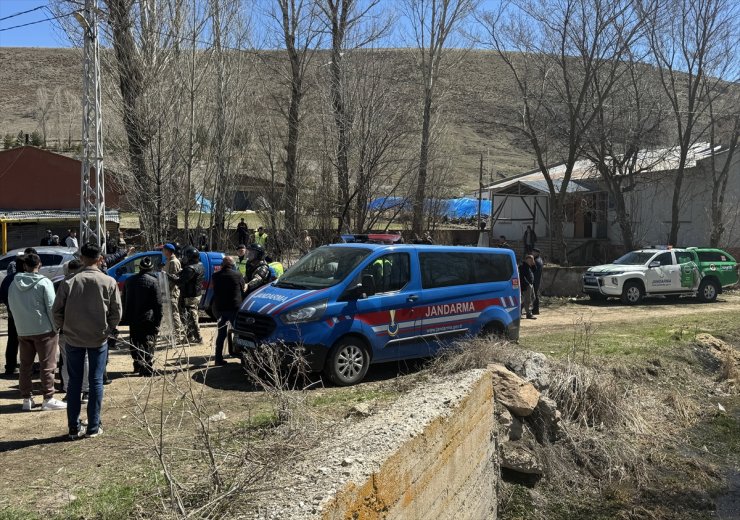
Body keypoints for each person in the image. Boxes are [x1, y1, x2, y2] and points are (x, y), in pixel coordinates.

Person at [53, 242, 122, 439]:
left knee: (74, 382)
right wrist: (108, 330)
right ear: (100, 259)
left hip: (73, 338)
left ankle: (73, 427)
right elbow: (117, 313)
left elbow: (56, 311)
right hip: (98, 338)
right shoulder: (108, 282)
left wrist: (64, 327)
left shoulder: (69, 282)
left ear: (81, 259)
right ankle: (93, 426)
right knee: (95, 381)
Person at [9, 253, 66, 411]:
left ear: (25, 266)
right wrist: (56, 327)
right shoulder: (44, 282)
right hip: (44, 329)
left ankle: (27, 399)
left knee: (25, 366)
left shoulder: (14, 283)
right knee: (47, 365)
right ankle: (48, 397)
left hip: (23, 329)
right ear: (39, 265)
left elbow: (12, 305)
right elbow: (51, 307)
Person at [123, 256, 163, 376]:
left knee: (135, 341)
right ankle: (147, 366)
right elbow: (158, 304)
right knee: (148, 342)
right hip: (148, 318)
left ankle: (137, 365)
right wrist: (158, 320)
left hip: (133, 317)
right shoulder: (154, 281)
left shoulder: (129, 281)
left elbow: (124, 300)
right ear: (151, 268)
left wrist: (126, 316)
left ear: (139, 268)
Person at [57, 260, 89, 402]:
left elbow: (56, 309)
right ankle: (86, 390)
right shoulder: (88, 282)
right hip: (85, 328)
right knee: (85, 359)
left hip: (66, 329)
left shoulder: (62, 284)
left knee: (67, 360)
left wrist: (59, 326)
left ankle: (70, 391)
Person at [211, 256, 245, 366]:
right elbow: (243, 288)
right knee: (240, 333)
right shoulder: (238, 275)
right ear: (232, 265)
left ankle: (218, 358)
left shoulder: (215, 276)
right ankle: (244, 358)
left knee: (221, 335)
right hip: (234, 308)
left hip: (220, 309)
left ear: (222, 265)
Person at [173, 246, 204, 344]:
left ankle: (198, 338)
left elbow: (180, 282)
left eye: (186, 256)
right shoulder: (200, 265)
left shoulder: (190, 269)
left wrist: (170, 277)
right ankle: (189, 336)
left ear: (190, 257)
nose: (184, 258)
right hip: (195, 294)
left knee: (191, 317)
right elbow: (183, 274)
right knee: (188, 316)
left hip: (189, 295)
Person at [0, 257, 20, 375]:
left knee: (12, 340)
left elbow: (2, 295)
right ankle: (29, 366)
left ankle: (10, 366)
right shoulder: (25, 279)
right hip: (27, 317)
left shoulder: (7, 279)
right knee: (30, 343)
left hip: (12, 314)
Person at [163, 243, 185, 341]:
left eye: (164, 250)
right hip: (167, 290)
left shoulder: (174, 262)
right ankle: (176, 332)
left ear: (168, 251)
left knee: (174, 313)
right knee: (171, 313)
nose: (163, 252)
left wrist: (168, 289)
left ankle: (178, 334)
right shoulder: (168, 261)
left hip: (172, 291)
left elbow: (175, 278)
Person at [519, 254, 536, 320]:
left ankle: (519, 310)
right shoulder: (522, 266)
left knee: (533, 298)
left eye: (532, 259)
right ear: (527, 259)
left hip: (531, 285)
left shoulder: (530, 266)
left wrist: (533, 263)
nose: (531, 261)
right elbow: (522, 277)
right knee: (527, 300)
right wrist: (527, 284)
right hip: (526, 286)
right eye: (530, 259)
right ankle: (528, 314)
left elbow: (535, 270)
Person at [532, 248, 544, 316]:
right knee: (534, 294)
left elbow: (534, 272)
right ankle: (535, 309)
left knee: (534, 295)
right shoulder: (539, 260)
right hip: (536, 280)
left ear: (537, 253)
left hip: (535, 280)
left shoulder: (537, 261)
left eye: (533, 252)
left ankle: (536, 310)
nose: (532, 253)